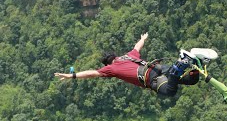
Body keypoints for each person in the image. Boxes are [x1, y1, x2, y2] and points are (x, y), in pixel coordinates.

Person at [54, 33, 200, 96]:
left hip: (151, 79)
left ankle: (180, 64)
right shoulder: (128, 56)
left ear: (107, 63)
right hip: (158, 68)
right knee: (187, 80)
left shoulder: (111, 68)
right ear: (115, 56)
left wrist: (71, 76)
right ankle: (194, 70)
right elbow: (138, 47)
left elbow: (92, 73)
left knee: (170, 91)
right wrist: (143, 38)